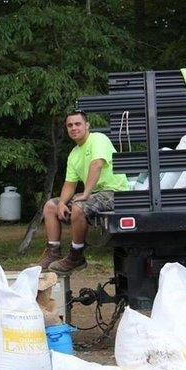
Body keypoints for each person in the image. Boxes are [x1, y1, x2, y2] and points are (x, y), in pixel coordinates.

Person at [39, 110, 128, 275]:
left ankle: (76, 256)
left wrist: (85, 194)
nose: (74, 128)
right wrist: (63, 204)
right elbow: (69, 184)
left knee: (79, 206)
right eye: (70, 125)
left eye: (78, 124)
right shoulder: (74, 154)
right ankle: (53, 253)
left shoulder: (98, 139)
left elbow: (97, 165)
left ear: (87, 125)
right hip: (94, 195)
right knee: (50, 206)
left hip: (113, 193)